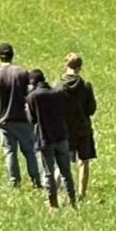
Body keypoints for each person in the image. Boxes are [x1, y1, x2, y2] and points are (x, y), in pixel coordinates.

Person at [0, 43, 43, 189]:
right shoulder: (22, 72)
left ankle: (14, 181)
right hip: (24, 119)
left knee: (10, 152)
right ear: (12, 55)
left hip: (4, 121)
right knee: (29, 151)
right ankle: (36, 180)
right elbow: (31, 95)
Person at [25, 67, 79, 209]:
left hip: (45, 138)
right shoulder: (58, 92)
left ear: (33, 82)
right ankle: (72, 200)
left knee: (48, 173)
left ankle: (53, 203)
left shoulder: (33, 97)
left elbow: (31, 119)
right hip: (61, 136)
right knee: (66, 172)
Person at [59, 54, 98, 201]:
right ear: (80, 67)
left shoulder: (58, 86)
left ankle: (59, 192)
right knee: (84, 162)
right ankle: (81, 193)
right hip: (83, 128)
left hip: (65, 129)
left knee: (62, 162)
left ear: (65, 65)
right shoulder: (85, 86)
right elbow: (91, 109)